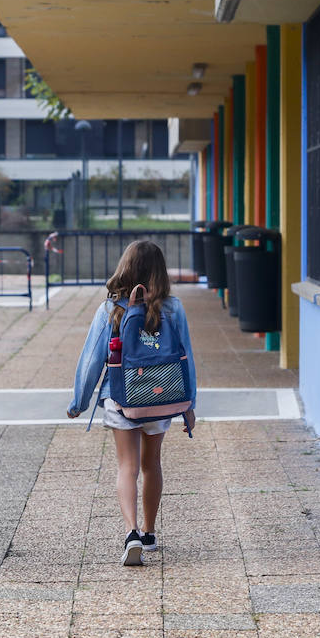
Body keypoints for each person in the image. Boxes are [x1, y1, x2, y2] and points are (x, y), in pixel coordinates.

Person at [68, 240, 198, 566]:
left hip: (121, 398)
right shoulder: (174, 308)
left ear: (124, 267)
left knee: (126, 467)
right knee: (151, 464)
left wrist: (79, 401)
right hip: (161, 396)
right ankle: (150, 533)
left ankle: (131, 533)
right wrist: (188, 404)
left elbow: (91, 361)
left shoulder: (111, 309)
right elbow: (186, 359)